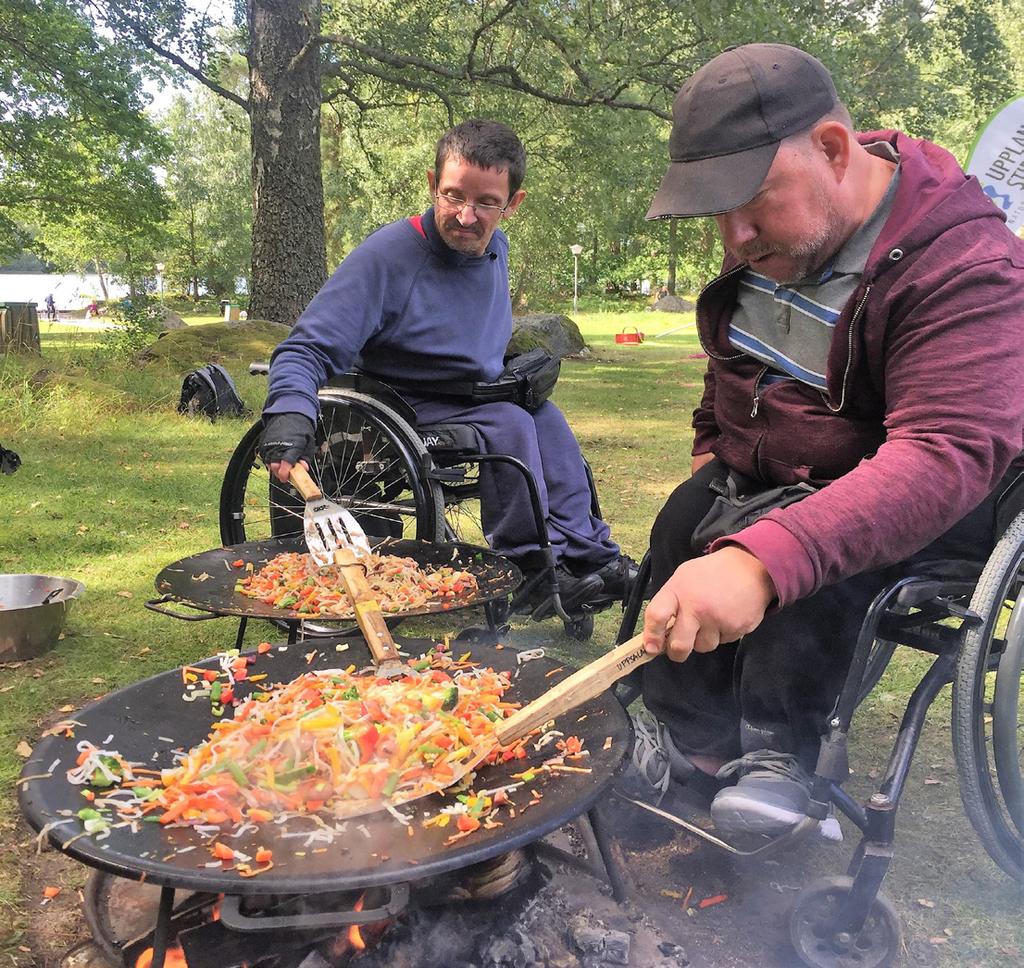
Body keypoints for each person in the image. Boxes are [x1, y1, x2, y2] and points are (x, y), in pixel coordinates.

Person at [626, 43, 1024, 838]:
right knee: (685, 517)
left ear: (835, 152)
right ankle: (689, 742)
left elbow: (944, 453)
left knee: (804, 547)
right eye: (716, 211)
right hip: (779, 465)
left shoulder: (967, 263)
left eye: (751, 202)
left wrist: (763, 558)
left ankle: (783, 755)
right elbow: (737, 354)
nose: (733, 236)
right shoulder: (784, 233)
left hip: (935, 498)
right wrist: (715, 441)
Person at [258, 119, 636, 610]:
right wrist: (288, 412)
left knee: (549, 420)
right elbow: (304, 348)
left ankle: (589, 557)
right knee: (511, 424)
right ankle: (528, 571)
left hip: (465, 393)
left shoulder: (494, 247)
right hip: (397, 405)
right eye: (453, 196)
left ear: (511, 205)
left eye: (486, 203)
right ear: (433, 185)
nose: (466, 216)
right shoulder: (387, 258)